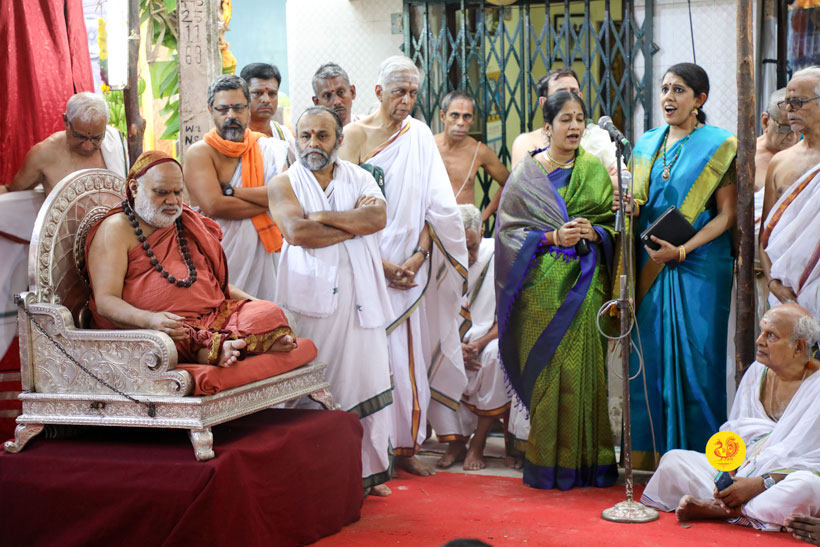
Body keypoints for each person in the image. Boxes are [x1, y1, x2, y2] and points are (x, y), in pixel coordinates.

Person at [339, 55, 468, 477]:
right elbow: (344, 209)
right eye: (399, 92)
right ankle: (369, 451)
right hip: (366, 268)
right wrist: (380, 264)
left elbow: (437, 209)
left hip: (410, 272)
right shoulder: (354, 135)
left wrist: (417, 257)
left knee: (406, 361)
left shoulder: (420, 136)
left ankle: (406, 447)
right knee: (370, 361)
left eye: (413, 93)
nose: (407, 101)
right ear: (378, 91)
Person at [85, 151, 315, 369]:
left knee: (269, 313)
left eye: (177, 192)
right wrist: (150, 320)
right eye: (162, 192)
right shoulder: (115, 229)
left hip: (216, 316)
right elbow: (106, 301)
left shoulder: (185, 222)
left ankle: (219, 346)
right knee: (169, 337)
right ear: (135, 188)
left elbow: (215, 287)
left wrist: (255, 303)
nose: (172, 201)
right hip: (161, 327)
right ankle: (211, 349)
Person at [495, 90, 617, 490]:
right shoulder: (527, 174)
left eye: (580, 118)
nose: (575, 126)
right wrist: (551, 236)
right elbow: (509, 234)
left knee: (586, 373)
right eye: (566, 119)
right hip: (541, 291)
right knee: (550, 375)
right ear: (547, 127)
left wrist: (595, 232)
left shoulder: (594, 169)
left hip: (586, 284)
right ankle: (548, 465)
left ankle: (590, 465)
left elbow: (610, 225)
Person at [269, 106, 394, 497]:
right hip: (310, 306)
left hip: (361, 302)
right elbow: (297, 232)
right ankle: (315, 480)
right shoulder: (283, 184)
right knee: (312, 388)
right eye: (306, 135)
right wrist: (351, 223)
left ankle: (365, 474)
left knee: (365, 380)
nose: (313, 143)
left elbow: (376, 220)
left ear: (339, 140)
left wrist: (322, 216)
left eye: (322, 136)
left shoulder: (360, 177)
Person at [628, 62, 737, 469]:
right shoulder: (646, 145)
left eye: (678, 90)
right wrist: (626, 206)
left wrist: (683, 250)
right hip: (652, 263)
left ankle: (704, 463)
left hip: (699, 266)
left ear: (699, 99)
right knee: (651, 359)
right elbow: (639, 206)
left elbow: (727, 215)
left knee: (700, 361)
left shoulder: (719, 145)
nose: (668, 98)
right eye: (664, 89)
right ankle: (653, 459)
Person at [641, 304, 820, 534]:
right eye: (762, 331)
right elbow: (736, 432)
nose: (759, 341)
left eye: (771, 335)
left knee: (807, 487)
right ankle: (737, 506)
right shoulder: (757, 371)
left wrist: (759, 483)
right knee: (674, 461)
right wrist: (728, 475)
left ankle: (725, 510)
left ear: (798, 347)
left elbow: (814, 462)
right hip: (744, 470)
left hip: (779, 482)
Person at [184, 74, 289, 302]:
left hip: (268, 257)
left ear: (248, 109)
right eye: (223, 109)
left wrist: (233, 192)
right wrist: (269, 202)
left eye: (238, 108)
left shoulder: (268, 148)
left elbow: (285, 196)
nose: (231, 115)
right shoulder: (200, 153)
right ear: (211, 110)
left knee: (270, 315)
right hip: (221, 259)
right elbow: (215, 206)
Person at [435, 204, 511, 471]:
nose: (467, 255)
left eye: (472, 247)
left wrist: (478, 344)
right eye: (460, 247)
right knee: (434, 356)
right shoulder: (439, 258)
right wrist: (454, 347)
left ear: (481, 232)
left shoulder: (499, 256)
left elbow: (508, 318)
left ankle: (477, 443)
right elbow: (432, 316)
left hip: (487, 339)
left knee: (496, 356)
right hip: (451, 339)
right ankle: (455, 442)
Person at [760, 67, 820, 316]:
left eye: (798, 102)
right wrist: (773, 284)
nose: (789, 110)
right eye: (786, 102)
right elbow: (765, 238)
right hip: (784, 296)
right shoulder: (780, 162)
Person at [2, 92, 128, 196]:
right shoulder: (43, 154)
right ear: (66, 121)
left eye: (96, 138)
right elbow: (11, 192)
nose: (87, 147)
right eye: (80, 137)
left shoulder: (117, 143)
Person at [509, 68, 617, 178]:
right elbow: (528, 185)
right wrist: (601, 180)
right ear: (544, 102)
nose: (570, 98)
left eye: (574, 93)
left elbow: (619, 180)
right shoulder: (526, 142)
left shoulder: (596, 136)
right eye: (561, 94)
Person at [753, 88, 799, 321]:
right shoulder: (745, 157)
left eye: (796, 128)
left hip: (797, 269)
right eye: (783, 127)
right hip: (753, 268)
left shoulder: (807, 156)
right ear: (765, 121)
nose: (791, 136)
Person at [434, 91, 509, 222]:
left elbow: (508, 183)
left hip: (464, 227)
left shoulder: (479, 151)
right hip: (431, 224)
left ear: (473, 119)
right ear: (442, 116)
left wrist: (481, 218)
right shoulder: (428, 145)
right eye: (454, 116)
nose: (461, 122)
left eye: (467, 116)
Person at [239, 63, 297, 164]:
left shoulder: (284, 135)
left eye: (272, 94)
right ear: (243, 95)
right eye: (258, 93)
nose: (266, 100)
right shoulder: (235, 136)